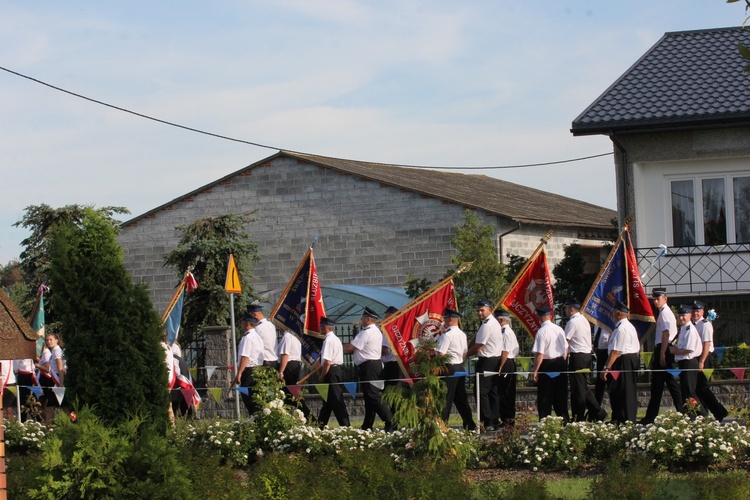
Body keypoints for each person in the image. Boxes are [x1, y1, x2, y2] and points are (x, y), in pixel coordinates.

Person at [343, 307, 394, 431]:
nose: (361, 320)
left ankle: (390, 420)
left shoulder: (365, 332)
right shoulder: (377, 331)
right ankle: (367, 424)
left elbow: (350, 347)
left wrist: (336, 350)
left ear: (367, 319)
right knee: (369, 397)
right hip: (374, 365)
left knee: (372, 395)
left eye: (362, 318)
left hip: (369, 366)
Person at [641, 288, 684, 424]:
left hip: (664, 348)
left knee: (661, 385)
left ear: (665, 299)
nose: (655, 301)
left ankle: (652, 416)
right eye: (654, 299)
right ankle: (682, 412)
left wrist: (662, 354)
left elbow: (665, 334)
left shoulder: (665, 313)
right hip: (664, 348)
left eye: (657, 299)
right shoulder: (663, 313)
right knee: (665, 385)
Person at [564, 298, 607, 422]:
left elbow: (566, 341)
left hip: (577, 356)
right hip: (586, 355)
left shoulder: (572, 322)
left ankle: (579, 416)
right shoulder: (584, 320)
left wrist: (563, 357)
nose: (566, 311)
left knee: (577, 388)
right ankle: (598, 412)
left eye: (566, 308)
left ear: (572, 309)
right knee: (582, 387)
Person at [436, 308, 476, 431]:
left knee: (446, 398)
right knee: (461, 398)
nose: (444, 321)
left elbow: (441, 354)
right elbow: (464, 353)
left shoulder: (447, 335)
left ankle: (442, 424)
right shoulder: (462, 334)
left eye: (445, 318)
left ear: (450, 319)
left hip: (449, 367)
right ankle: (470, 424)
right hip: (460, 366)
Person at [601, 301, 640, 424]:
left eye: (613, 313)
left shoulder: (621, 328)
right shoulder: (626, 326)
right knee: (618, 389)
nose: (612, 316)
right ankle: (619, 416)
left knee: (625, 389)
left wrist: (607, 368)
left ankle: (626, 418)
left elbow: (615, 351)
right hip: (625, 359)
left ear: (618, 314)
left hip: (624, 360)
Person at [467, 300, 503, 431]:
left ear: (490, 309)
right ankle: (494, 419)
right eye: (478, 310)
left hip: (488, 360)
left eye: (482, 310)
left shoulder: (487, 325)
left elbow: (478, 346)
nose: (479, 313)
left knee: (482, 391)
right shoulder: (492, 323)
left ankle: (487, 420)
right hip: (494, 359)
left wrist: (464, 355)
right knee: (492, 391)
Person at [531, 305, 569, 422]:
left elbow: (540, 354)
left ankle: (544, 421)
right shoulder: (559, 329)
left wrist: (535, 370)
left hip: (547, 364)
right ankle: (565, 421)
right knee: (560, 395)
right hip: (560, 362)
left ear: (539, 317)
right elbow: (566, 348)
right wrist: (562, 360)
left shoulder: (542, 331)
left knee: (545, 396)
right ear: (550, 315)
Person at [692, 302, 728, 422]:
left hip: (705, 357)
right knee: (698, 388)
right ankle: (704, 413)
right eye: (694, 311)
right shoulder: (693, 325)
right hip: (697, 357)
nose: (695, 313)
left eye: (698, 311)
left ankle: (719, 411)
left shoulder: (705, 324)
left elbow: (706, 344)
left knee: (703, 387)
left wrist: (702, 361)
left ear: (703, 312)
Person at [670, 305, 707, 418]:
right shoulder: (684, 329)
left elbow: (689, 349)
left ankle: (702, 415)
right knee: (686, 392)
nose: (681, 318)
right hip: (684, 362)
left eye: (683, 315)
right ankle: (692, 415)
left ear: (690, 315)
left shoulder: (690, 330)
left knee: (690, 392)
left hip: (689, 362)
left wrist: (675, 351)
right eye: (679, 316)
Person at [317, 317, 350, 428]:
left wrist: (322, 376)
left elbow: (327, 361)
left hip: (331, 372)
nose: (319, 328)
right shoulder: (335, 339)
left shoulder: (328, 340)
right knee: (328, 401)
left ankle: (345, 426)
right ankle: (320, 425)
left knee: (336, 400)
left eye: (320, 327)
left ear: (325, 327)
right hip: (336, 370)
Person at [231, 313, 264, 416]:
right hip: (258, 369)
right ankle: (256, 419)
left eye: (242, 323)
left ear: (247, 324)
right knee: (255, 398)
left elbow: (245, 357)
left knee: (248, 398)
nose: (241, 325)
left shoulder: (248, 338)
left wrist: (239, 373)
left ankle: (255, 419)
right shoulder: (257, 337)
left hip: (249, 370)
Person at [277, 328, 312, 421]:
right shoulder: (295, 336)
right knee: (289, 396)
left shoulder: (287, 337)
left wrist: (280, 372)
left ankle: (308, 417)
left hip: (288, 367)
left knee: (291, 395)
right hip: (294, 366)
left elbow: (285, 355)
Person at [494, 310, 519, 426]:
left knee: (505, 392)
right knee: (503, 392)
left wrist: (501, 366)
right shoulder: (506, 331)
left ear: (501, 320)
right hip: (508, 362)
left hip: (506, 362)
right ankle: (506, 418)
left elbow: (505, 351)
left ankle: (508, 419)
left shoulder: (506, 332)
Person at [40, 333, 65, 424]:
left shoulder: (56, 351)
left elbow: (60, 368)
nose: (48, 342)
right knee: (58, 405)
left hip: (56, 381)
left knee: (52, 406)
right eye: (47, 340)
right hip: (54, 380)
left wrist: (60, 384)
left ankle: (49, 426)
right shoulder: (54, 350)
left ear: (56, 340)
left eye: (51, 340)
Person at [592, 325, 611, 407]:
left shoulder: (609, 320)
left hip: (608, 352)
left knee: (611, 382)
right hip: (599, 351)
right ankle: (596, 409)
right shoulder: (597, 323)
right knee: (599, 383)